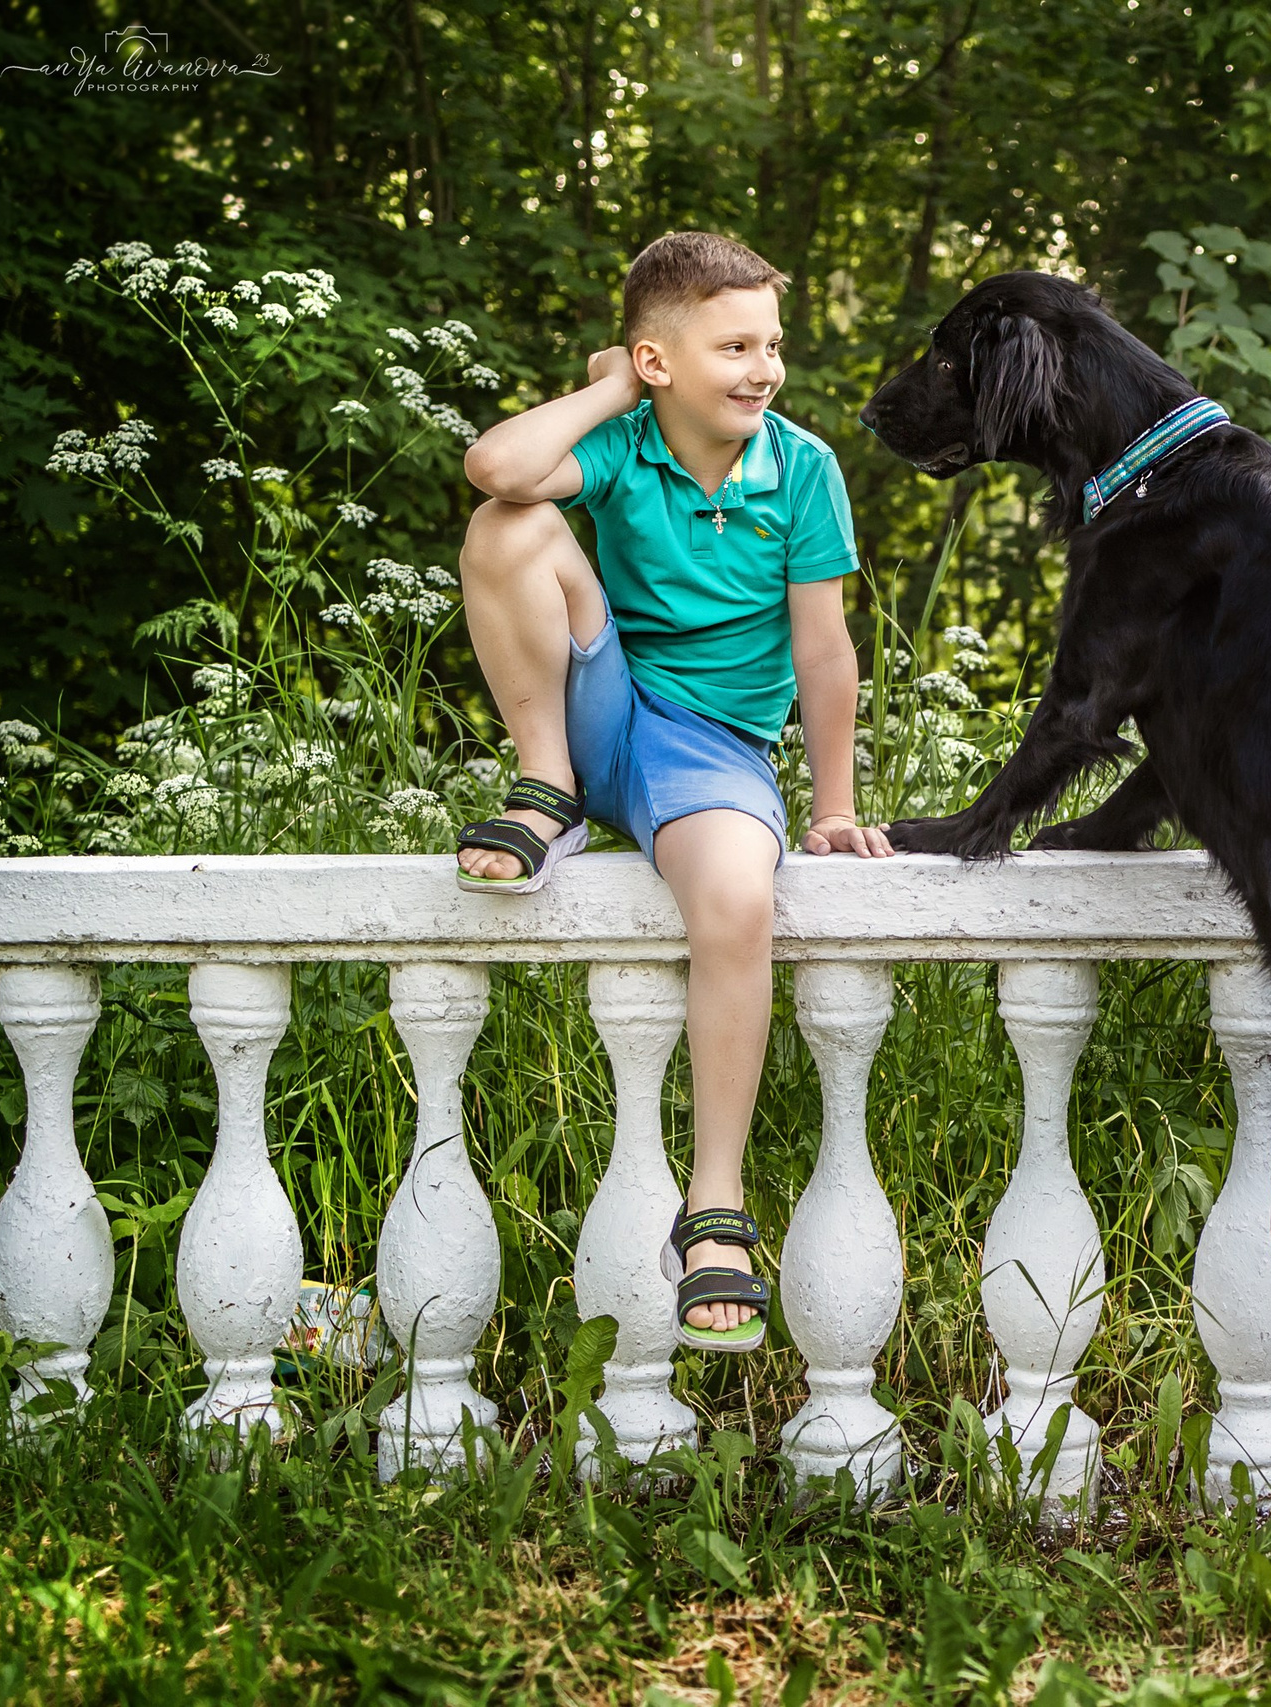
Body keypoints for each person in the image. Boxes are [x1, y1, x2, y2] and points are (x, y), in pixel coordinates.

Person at [452, 229, 892, 1352]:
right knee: (509, 526)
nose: (763, 368)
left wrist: (832, 805)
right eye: (733, 345)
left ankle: (715, 1211)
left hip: (711, 754)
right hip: (603, 709)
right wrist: (604, 396)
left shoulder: (801, 470)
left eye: (771, 344)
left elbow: (826, 652)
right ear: (655, 362)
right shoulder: (625, 442)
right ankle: (544, 791)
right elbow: (501, 469)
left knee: (739, 903)